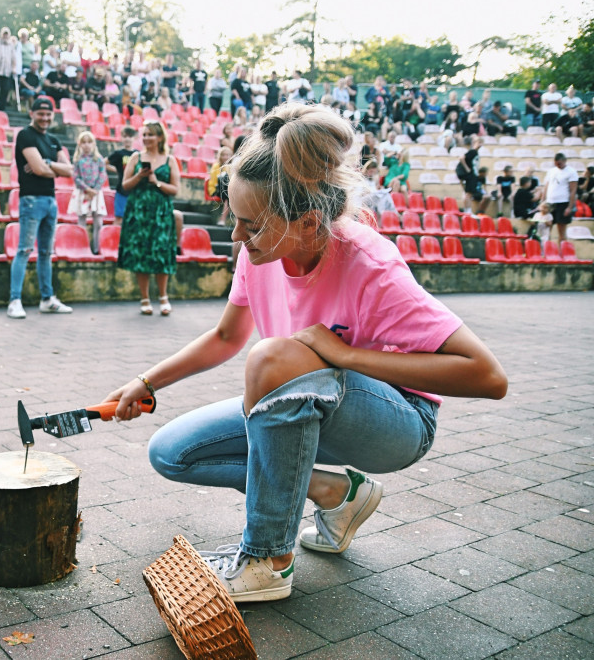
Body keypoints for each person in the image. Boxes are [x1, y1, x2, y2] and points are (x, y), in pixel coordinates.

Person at [102, 104, 507, 603]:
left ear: (310, 223)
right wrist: (147, 381)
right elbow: (226, 337)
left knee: (272, 360)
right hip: (304, 407)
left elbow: (488, 377)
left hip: (395, 425)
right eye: (235, 219)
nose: (236, 236)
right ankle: (337, 494)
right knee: (172, 453)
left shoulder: (370, 267)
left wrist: (348, 357)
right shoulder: (262, 250)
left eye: (249, 225)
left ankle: (267, 560)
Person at [7, 96, 74, 319]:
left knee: (46, 253)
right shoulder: (25, 135)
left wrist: (47, 164)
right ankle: (14, 300)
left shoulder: (53, 139)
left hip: (50, 201)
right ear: (32, 114)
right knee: (25, 250)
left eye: (48, 114)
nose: (44, 118)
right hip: (31, 200)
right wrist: (51, 167)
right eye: (40, 114)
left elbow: (69, 170)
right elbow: (38, 169)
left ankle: (47, 299)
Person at [118, 121, 180, 317]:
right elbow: (125, 186)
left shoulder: (170, 159)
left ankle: (163, 296)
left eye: (150, 135)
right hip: (138, 211)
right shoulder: (136, 157)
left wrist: (156, 182)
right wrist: (139, 176)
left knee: (161, 252)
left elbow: (175, 190)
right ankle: (144, 298)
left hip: (161, 212)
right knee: (141, 254)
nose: (146, 138)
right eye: (144, 134)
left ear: (160, 137)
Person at [69, 131, 108, 254]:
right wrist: (87, 189)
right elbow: (76, 177)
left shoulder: (98, 159)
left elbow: (102, 174)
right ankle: (82, 247)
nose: (86, 145)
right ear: (80, 144)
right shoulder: (77, 160)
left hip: (96, 193)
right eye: (84, 142)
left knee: (98, 221)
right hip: (83, 193)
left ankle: (97, 248)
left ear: (93, 144)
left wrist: (95, 189)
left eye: (89, 142)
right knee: (82, 220)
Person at [542, 153, 578, 243]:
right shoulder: (551, 171)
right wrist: (542, 201)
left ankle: (561, 252)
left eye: (560, 163)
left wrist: (570, 207)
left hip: (563, 202)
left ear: (565, 161)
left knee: (561, 231)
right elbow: (546, 186)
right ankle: (546, 251)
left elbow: (573, 190)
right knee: (546, 229)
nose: (558, 165)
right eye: (556, 163)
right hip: (550, 203)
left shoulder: (571, 172)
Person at [105, 126, 138, 225]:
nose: (127, 139)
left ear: (134, 138)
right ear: (121, 138)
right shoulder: (118, 153)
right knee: (119, 218)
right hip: (121, 190)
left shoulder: (138, 154)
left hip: (135, 191)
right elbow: (104, 163)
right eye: (125, 136)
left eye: (130, 136)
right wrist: (117, 170)